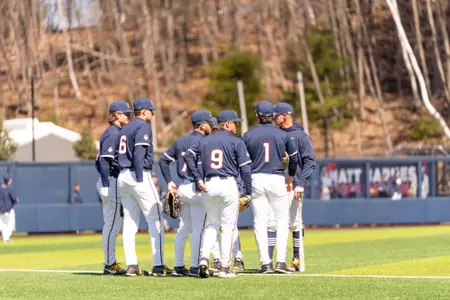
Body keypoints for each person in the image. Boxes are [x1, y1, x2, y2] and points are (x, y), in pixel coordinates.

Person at [184, 110, 252, 279]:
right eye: (234, 123)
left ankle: (204, 259)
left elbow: (188, 157)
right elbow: (245, 169)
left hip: (209, 184)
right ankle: (225, 266)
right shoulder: (236, 141)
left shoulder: (205, 140)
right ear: (226, 124)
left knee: (211, 224)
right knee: (228, 227)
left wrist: (198, 179)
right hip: (228, 183)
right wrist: (248, 191)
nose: (236, 126)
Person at [243, 101, 298, 274]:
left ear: (257, 115)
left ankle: (265, 263)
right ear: (272, 116)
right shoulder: (282, 134)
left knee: (260, 222)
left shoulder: (248, 135)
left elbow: (243, 164)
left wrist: (244, 187)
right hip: (276, 178)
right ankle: (280, 262)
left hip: (256, 178)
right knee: (282, 221)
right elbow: (294, 159)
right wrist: (290, 176)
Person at [159, 110, 214, 276]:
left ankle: (178, 265)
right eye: (209, 123)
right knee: (199, 229)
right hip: (197, 188)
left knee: (184, 228)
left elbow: (163, 161)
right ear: (202, 125)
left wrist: (169, 181)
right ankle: (195, 266)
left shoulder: (180, 141)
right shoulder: (206, 141)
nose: (211, 126)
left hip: (182, 188)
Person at [117, 98, 166, 277]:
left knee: (130, 222)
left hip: (123, 176)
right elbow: (138, 154)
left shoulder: (125, 128)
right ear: (144, 111)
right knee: (156, 218)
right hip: (138, 174)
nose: (153, 113)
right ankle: (159, 265)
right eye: (151, 110)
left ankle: (131, 265)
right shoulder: (142, 126)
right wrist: (140, 177)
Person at [269, 102, 316, 272]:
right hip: (274, 183)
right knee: (271, 222)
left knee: (294, 222)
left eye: (276, 116)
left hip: (293, 185)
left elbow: (310, 161)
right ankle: (269, 261)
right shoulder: (276, 135)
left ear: (285, 116)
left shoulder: (301, 136)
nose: (274, 118)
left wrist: (301, 183)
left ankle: (296, 258)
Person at [95, 100, 131, 275]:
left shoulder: (116, 132)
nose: (129, 117)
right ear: (117, 114)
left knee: (114, 224)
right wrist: (106, 182)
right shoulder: (112, 133)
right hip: (110, 180)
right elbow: (104, 160)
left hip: (112, 181)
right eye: (126, 113)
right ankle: (110, 264)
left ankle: (110, 262)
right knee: (112, 225)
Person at [0, 174, 19, 244]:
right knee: (11, 224)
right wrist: (17, 200)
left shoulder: (0, 187)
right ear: (9, 180)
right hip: (8, 209)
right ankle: (6, 238)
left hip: (1, 209)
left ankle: (6, 239)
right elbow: (15, 198)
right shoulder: (10, 187)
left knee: (3, 224)